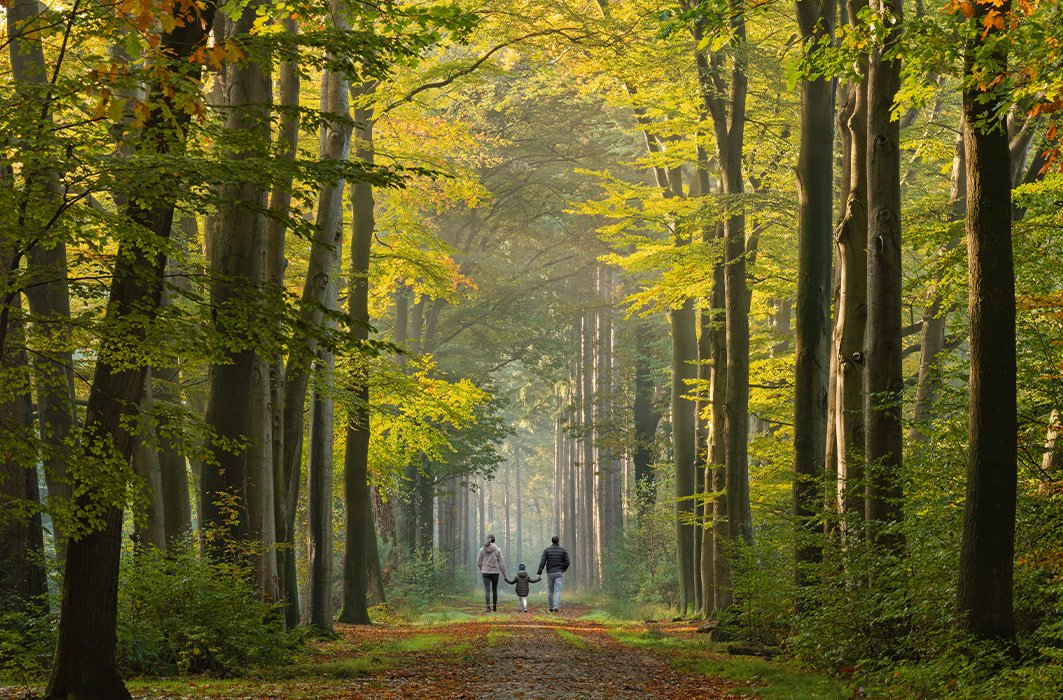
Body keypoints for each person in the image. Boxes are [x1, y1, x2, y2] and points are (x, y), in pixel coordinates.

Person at [536, 535, 570, 612]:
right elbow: (567, 562)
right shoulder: (563, 551)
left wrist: (539, 572)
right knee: (558, 591)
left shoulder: (546, 550)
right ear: (558, 541)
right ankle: (556, 607)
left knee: (550, 591)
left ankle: (550, 608)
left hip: (550, 573)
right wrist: (563, 569)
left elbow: (543, 562)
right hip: (559, 573)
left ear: (552, 541)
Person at [476, 534, 508, 612]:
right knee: (494, 590)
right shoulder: (498, 550)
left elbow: (478, 562)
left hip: (485, 572)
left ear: (488, 540)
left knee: (487, 589)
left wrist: (482, 568)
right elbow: (502, 564)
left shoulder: (482, 550)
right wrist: (505, 575)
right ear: (494, 540)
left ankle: (487, 607)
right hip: (495, 573)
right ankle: (494, 607)